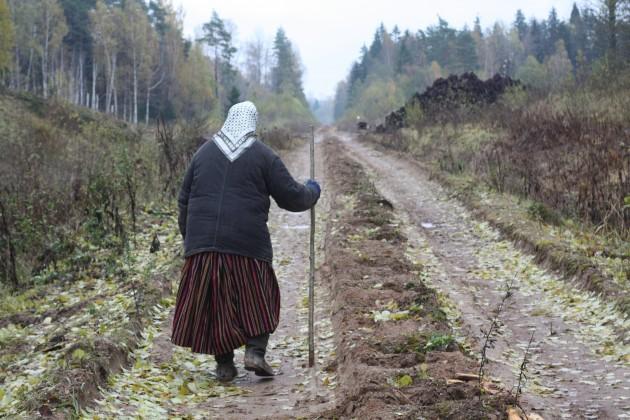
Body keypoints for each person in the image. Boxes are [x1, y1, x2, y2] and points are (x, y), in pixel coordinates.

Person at [171, 101, 321, 382]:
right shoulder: (264, 156)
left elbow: (184, 200)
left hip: (203, 245)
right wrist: (312, 190)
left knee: (216, 304)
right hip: (247, 246)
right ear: (253, 123)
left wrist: (191, 241)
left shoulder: (202, 154)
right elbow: (292, 197)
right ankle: (255, 352)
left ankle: (225, 365)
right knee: (259, 297)